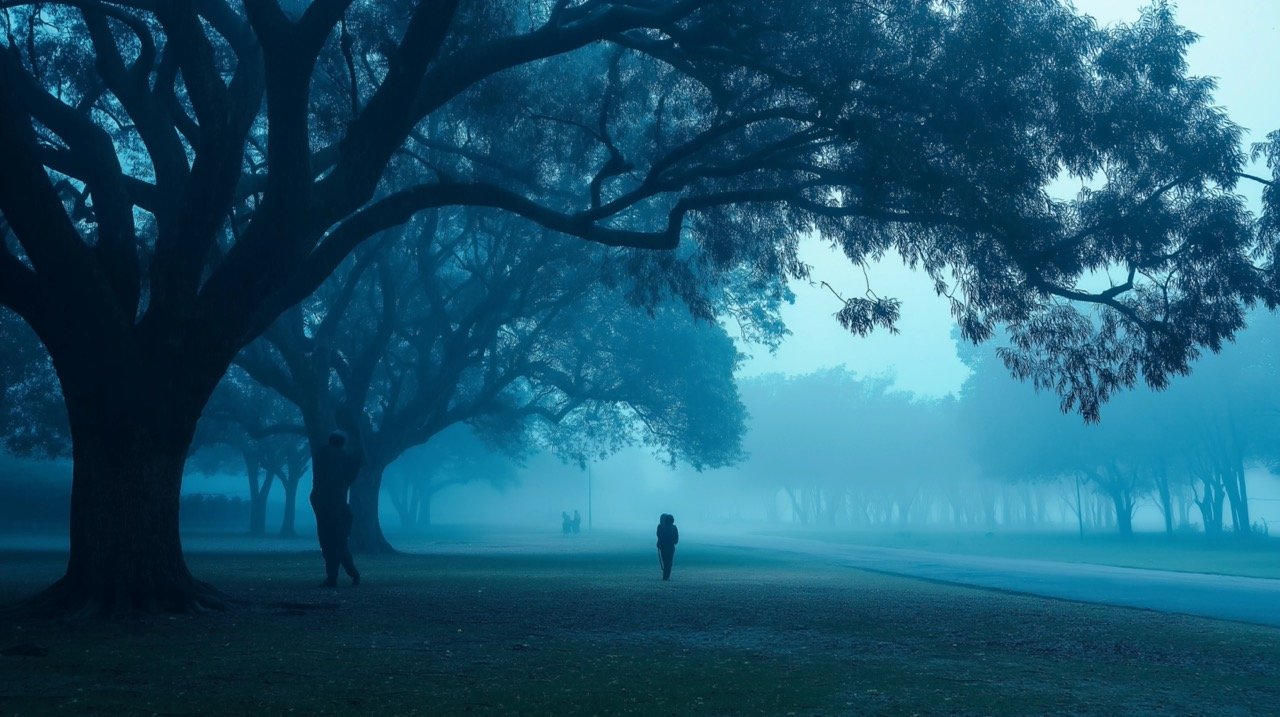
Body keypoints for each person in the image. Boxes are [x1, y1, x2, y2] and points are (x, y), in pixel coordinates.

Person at [311, 430, 361, 587]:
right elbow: (353, 472)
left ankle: (333, 577)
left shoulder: (321, 455)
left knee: (327, 544)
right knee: (340, 544)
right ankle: (353, 575)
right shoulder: (345, 459)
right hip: (339, 509)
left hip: (324, 507)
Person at [656, 513, 678, 581]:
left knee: (665, 562)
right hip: (671, 548)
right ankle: (666, 577)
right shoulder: (674, 528)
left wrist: (660, 543)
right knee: (669, 563)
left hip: (663, 547)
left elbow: (659, 536)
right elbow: (676, 540)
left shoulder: (660, 527)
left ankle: (665, 577)